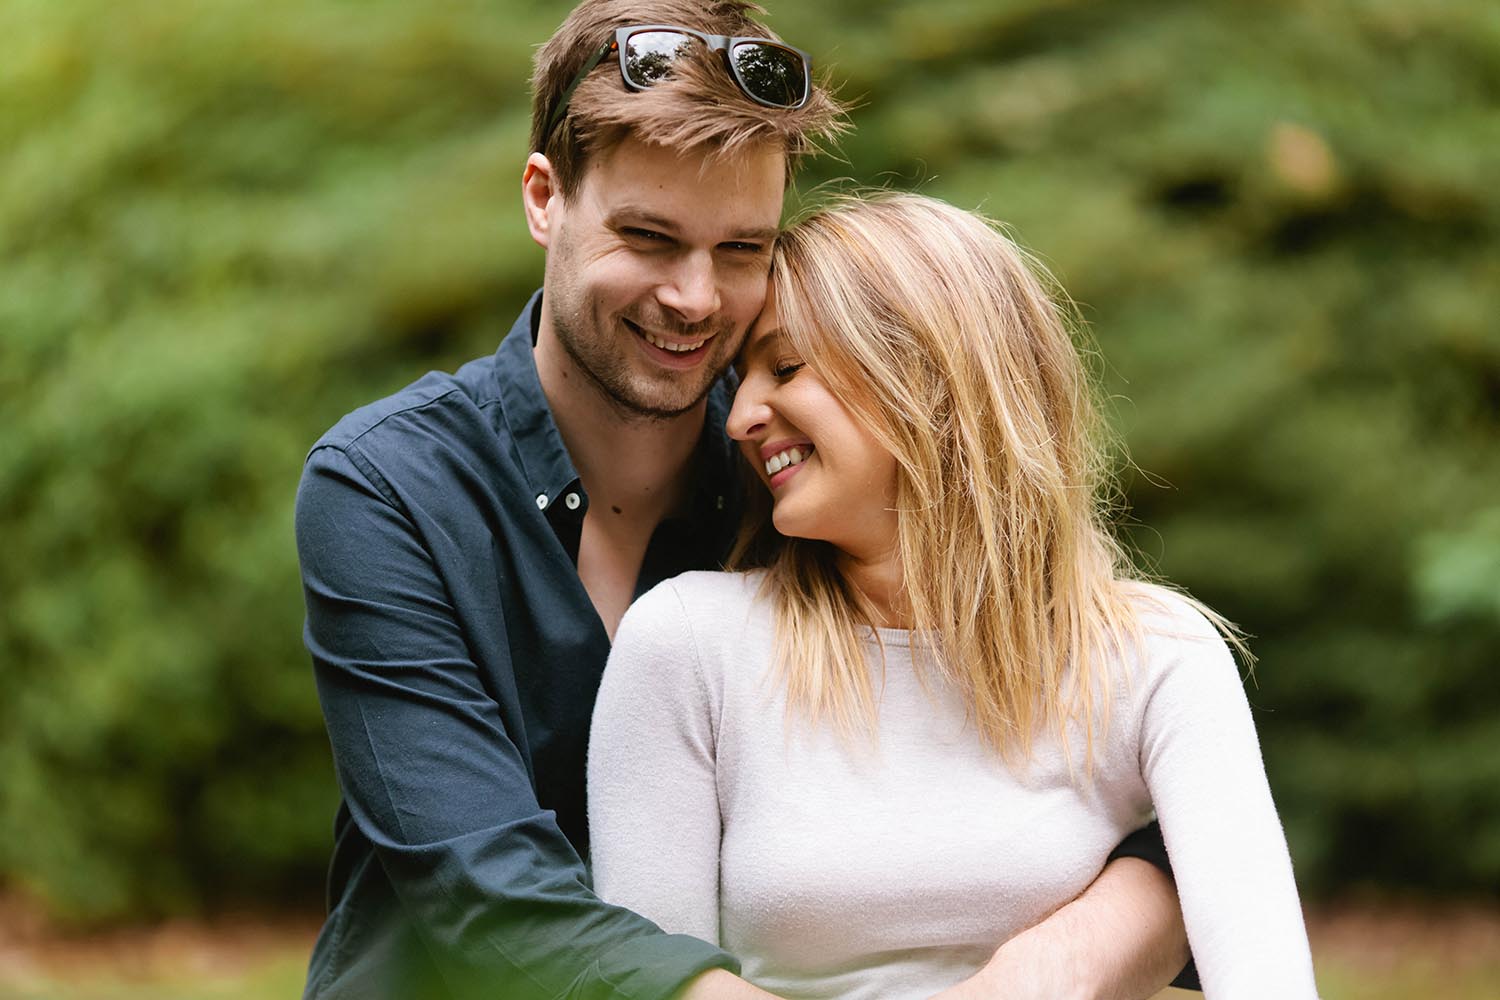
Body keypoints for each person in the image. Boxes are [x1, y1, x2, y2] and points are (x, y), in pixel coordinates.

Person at [295, 2, 1198, 998]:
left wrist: (1060, 960)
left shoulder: (811, 472)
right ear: (545, 197)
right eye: (648, 236)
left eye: (742, 250)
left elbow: (1120, 747)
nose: (695, 297)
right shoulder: (386, 488)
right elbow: (484, 892)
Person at [588, 193, 1322, 999]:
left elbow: (1266, 973)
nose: (741, 418)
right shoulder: (690, 643)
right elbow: (646, 980)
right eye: (743, 378)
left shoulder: (1156, 657)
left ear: (930, 376)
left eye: (786, 366)